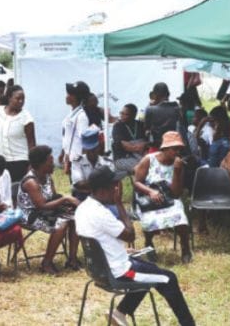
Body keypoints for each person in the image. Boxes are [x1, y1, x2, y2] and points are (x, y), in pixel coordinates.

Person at [75, 166, 195, 326]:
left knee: (150, 269)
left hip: (99, 269)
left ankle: (119, 313)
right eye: (114, 186)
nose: (117, 189)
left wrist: (121, 251)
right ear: (103, 190)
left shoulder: (82, 208)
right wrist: (119, 204)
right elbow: (130, 234)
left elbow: (97, 241)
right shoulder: (101, 213)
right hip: (118, 273)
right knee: (169, 278)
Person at [17, 145, 81, 274]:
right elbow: (41, 205)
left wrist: (65, 206)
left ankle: (72, 259)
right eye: (50, 162)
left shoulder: (47, 177)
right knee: (61, 225)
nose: (54, 164)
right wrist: (65, 199)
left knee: (75, 218)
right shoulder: (31, 182)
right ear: (41, 164)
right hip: (30, 215)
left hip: (45, 211)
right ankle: (46, 263)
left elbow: (52, 199)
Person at [133, 131, 192, 263]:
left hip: (169, 198)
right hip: (148, 198)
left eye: (179, 149)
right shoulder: (149, 159)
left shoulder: (179, 164)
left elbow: (176, 193)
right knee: (149, 219)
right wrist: (150, 192)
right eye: (174, 148)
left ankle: (186, 248)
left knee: (180, 216)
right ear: (164, 148)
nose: (177, 152)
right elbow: (136, 182)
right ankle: (148, 242)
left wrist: (177, 171)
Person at [0, 84, 36, 181]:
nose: (21, 101)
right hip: (1, 162)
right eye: (18, 98)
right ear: (9, 98)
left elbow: (31, 143)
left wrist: (32, 165)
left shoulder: (26, 118)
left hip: (20, 161)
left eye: (23, 99)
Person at [60, 81, 90, 175]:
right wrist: (64, 154)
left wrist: (82, 163)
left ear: (75, 97)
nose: (66, 96)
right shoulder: (71, 113)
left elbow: (85, 142)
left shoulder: (81, 117)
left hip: (77, 161)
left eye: (69, 94)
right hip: (70, 158)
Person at [144, 82, 183, 150]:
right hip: (173, 146)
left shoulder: (150, 109)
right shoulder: (177, 108)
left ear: (155, 95)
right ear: (168, 94)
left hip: (156, 147)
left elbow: (146, 128)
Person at [112, 103, 147, 177]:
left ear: (133, 115)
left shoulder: (140, 125)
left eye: (125, 114)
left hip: (139, 156)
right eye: (121, 113)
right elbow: (127, 147)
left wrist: (143, 145)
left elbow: (146, 143)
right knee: (142, 168)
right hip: (123, 158)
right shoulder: (118, 126)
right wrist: (140, 145)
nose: (122, 116)